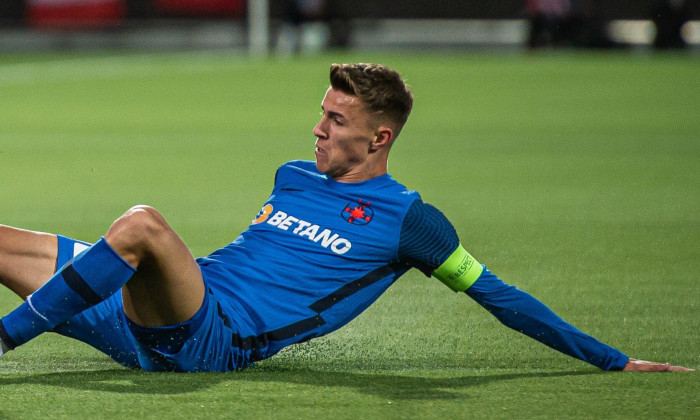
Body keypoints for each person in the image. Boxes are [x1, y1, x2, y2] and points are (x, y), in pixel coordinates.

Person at [0, 63, 692, 373]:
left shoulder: (411, 222)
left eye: (335, 120)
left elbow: (498, 296)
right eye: (322, 113)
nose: (317, 130)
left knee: (143, 223)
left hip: (206, 343)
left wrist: (610, 360)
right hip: (150, 312)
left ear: (379, 137)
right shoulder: (293, 176)